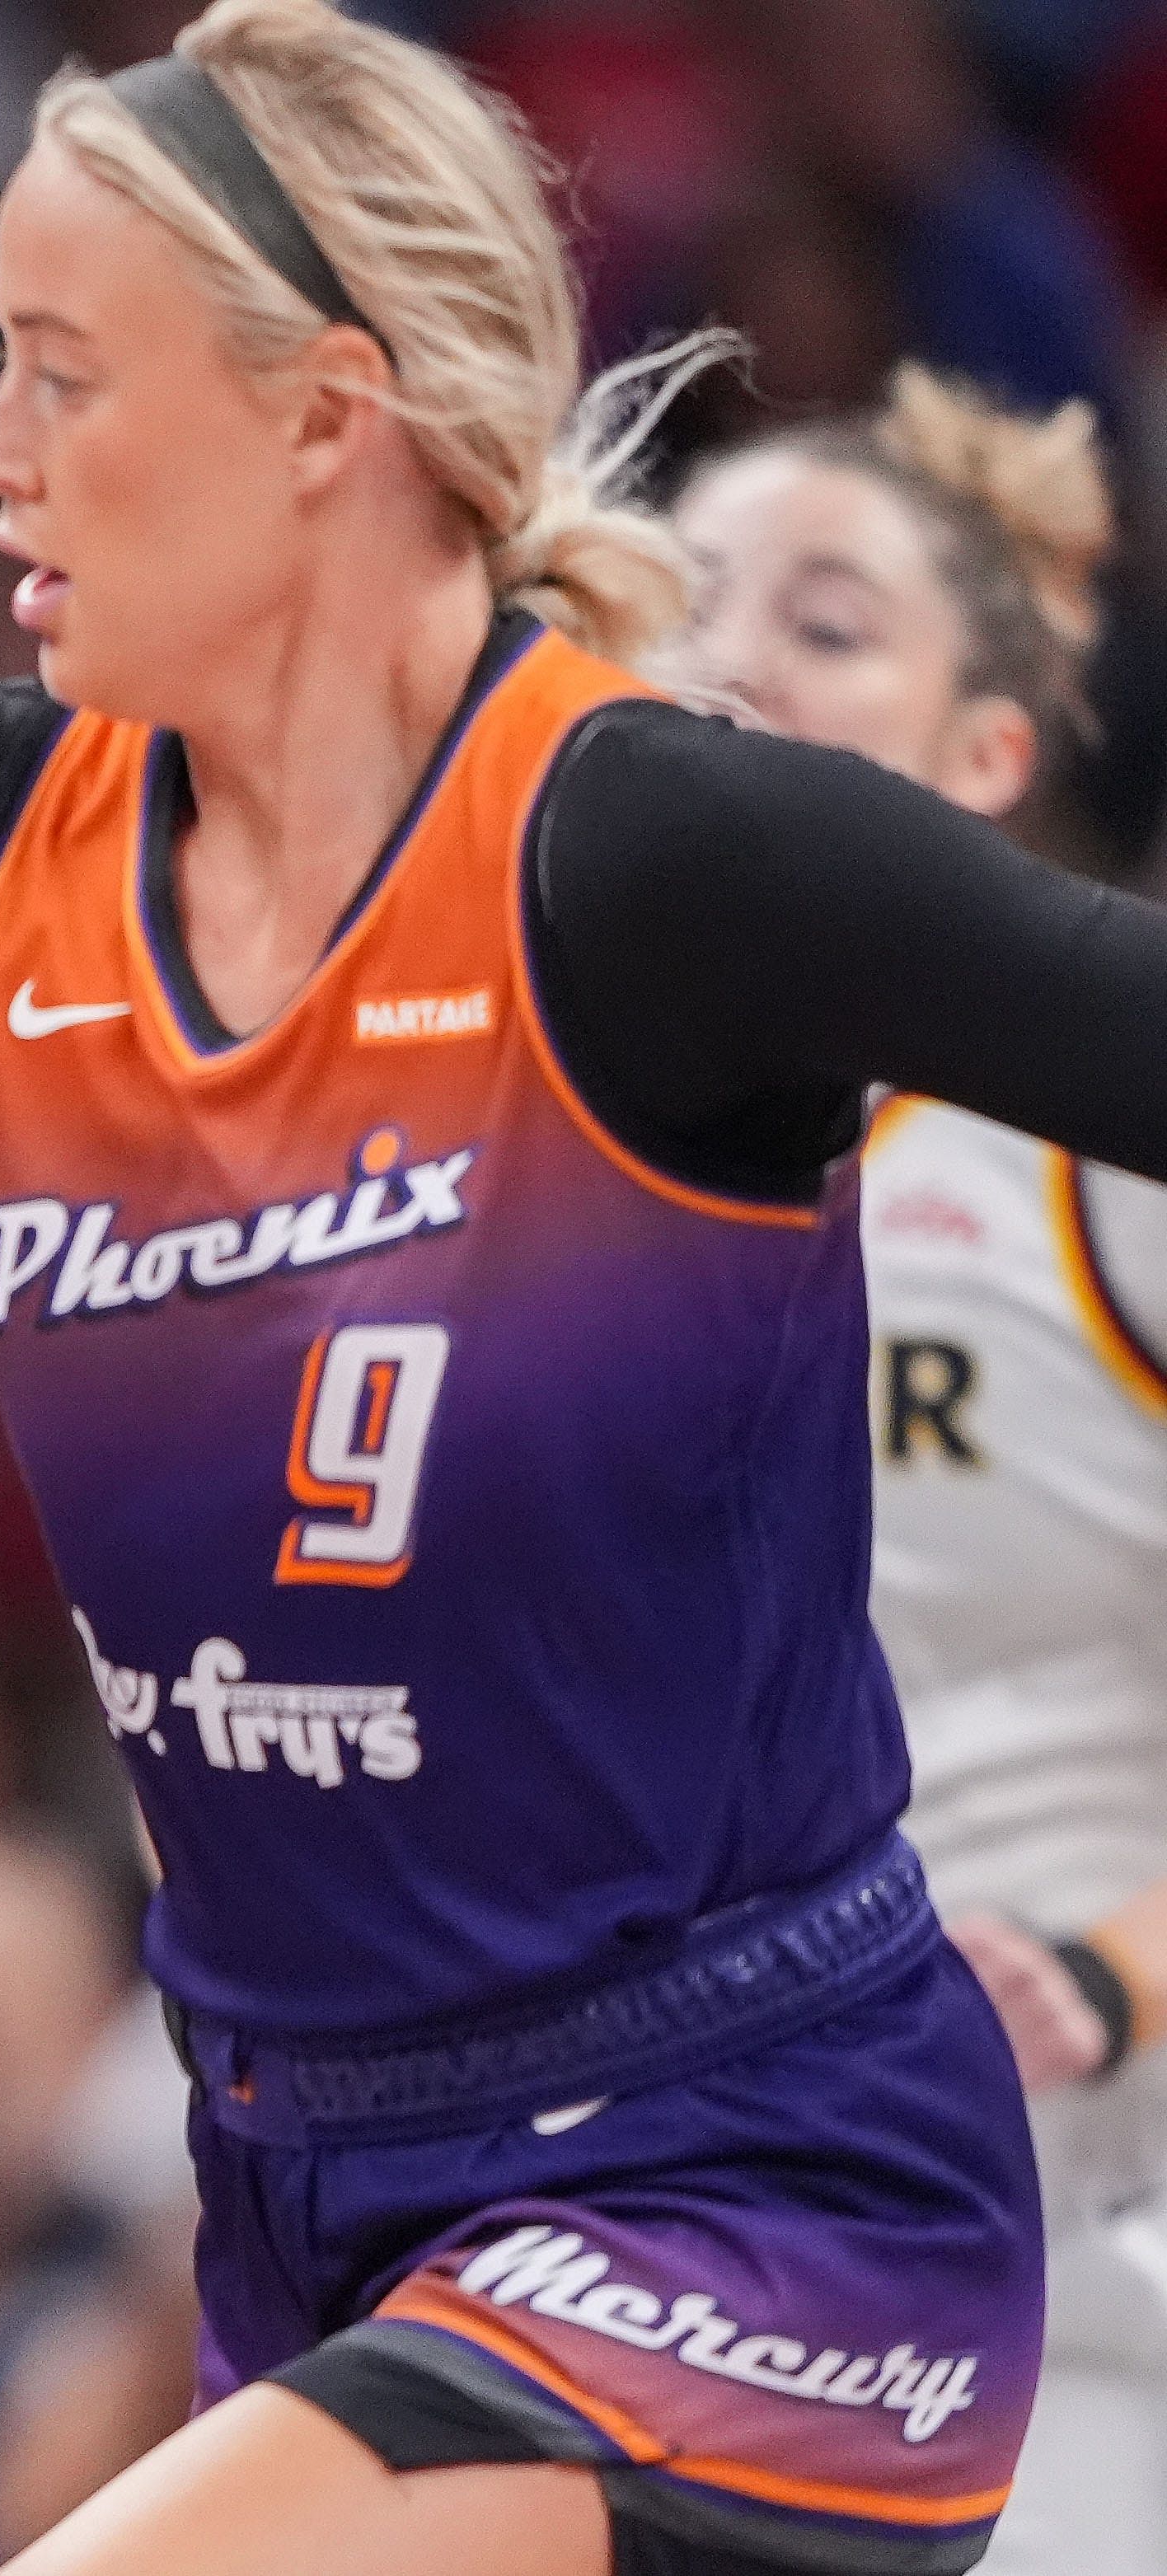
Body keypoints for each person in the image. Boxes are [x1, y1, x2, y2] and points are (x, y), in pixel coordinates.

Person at [0, 4, 1167, 2569]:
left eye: (57, 373)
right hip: (309, 2196)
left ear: (325, 411)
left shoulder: (647, 856)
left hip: (751, 2179)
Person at [671, 369, 1166, 2576]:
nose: (735, 663)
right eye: (687, 605)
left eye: (830, 621)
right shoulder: (475, 1166)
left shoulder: (1101, 1168)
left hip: (1089, 2256)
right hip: (644, 2245)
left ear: (988, 762)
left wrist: (1112, 1964)